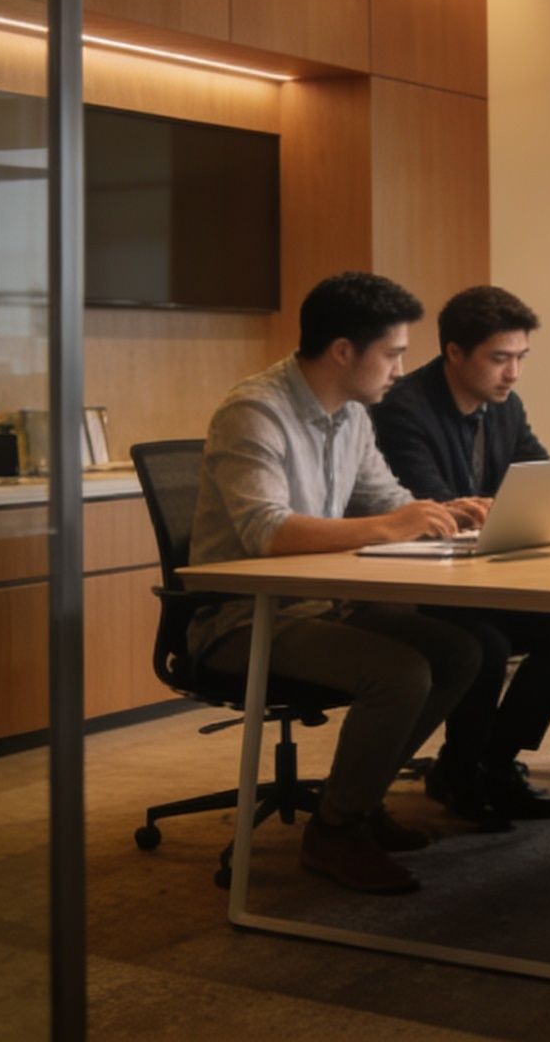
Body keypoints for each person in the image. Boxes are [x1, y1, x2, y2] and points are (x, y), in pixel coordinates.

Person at [185, 272, 486, 895]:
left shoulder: (351, 413)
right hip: (242, 618)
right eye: (393, 353)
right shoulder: (253, 411)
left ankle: (361, 797)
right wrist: (393, 524)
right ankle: (336, 830)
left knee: (462, 650)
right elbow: (266, 532)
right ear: (344, 351)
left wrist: (445, 514)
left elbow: (387, 500)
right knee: (401, 673)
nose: (401, 369)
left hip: (319, 605)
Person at [372, 285, 550, 829]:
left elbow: (534, 470)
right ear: (455, 353)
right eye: (500, 358)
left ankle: (493, 762)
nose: (513, 373)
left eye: (520, 357)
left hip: (475, 574)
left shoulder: (504, 406)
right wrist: (488, 508)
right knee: (485, 644)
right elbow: (432, 505)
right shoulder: (404, 408)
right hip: (414, 582)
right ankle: (462, 770)